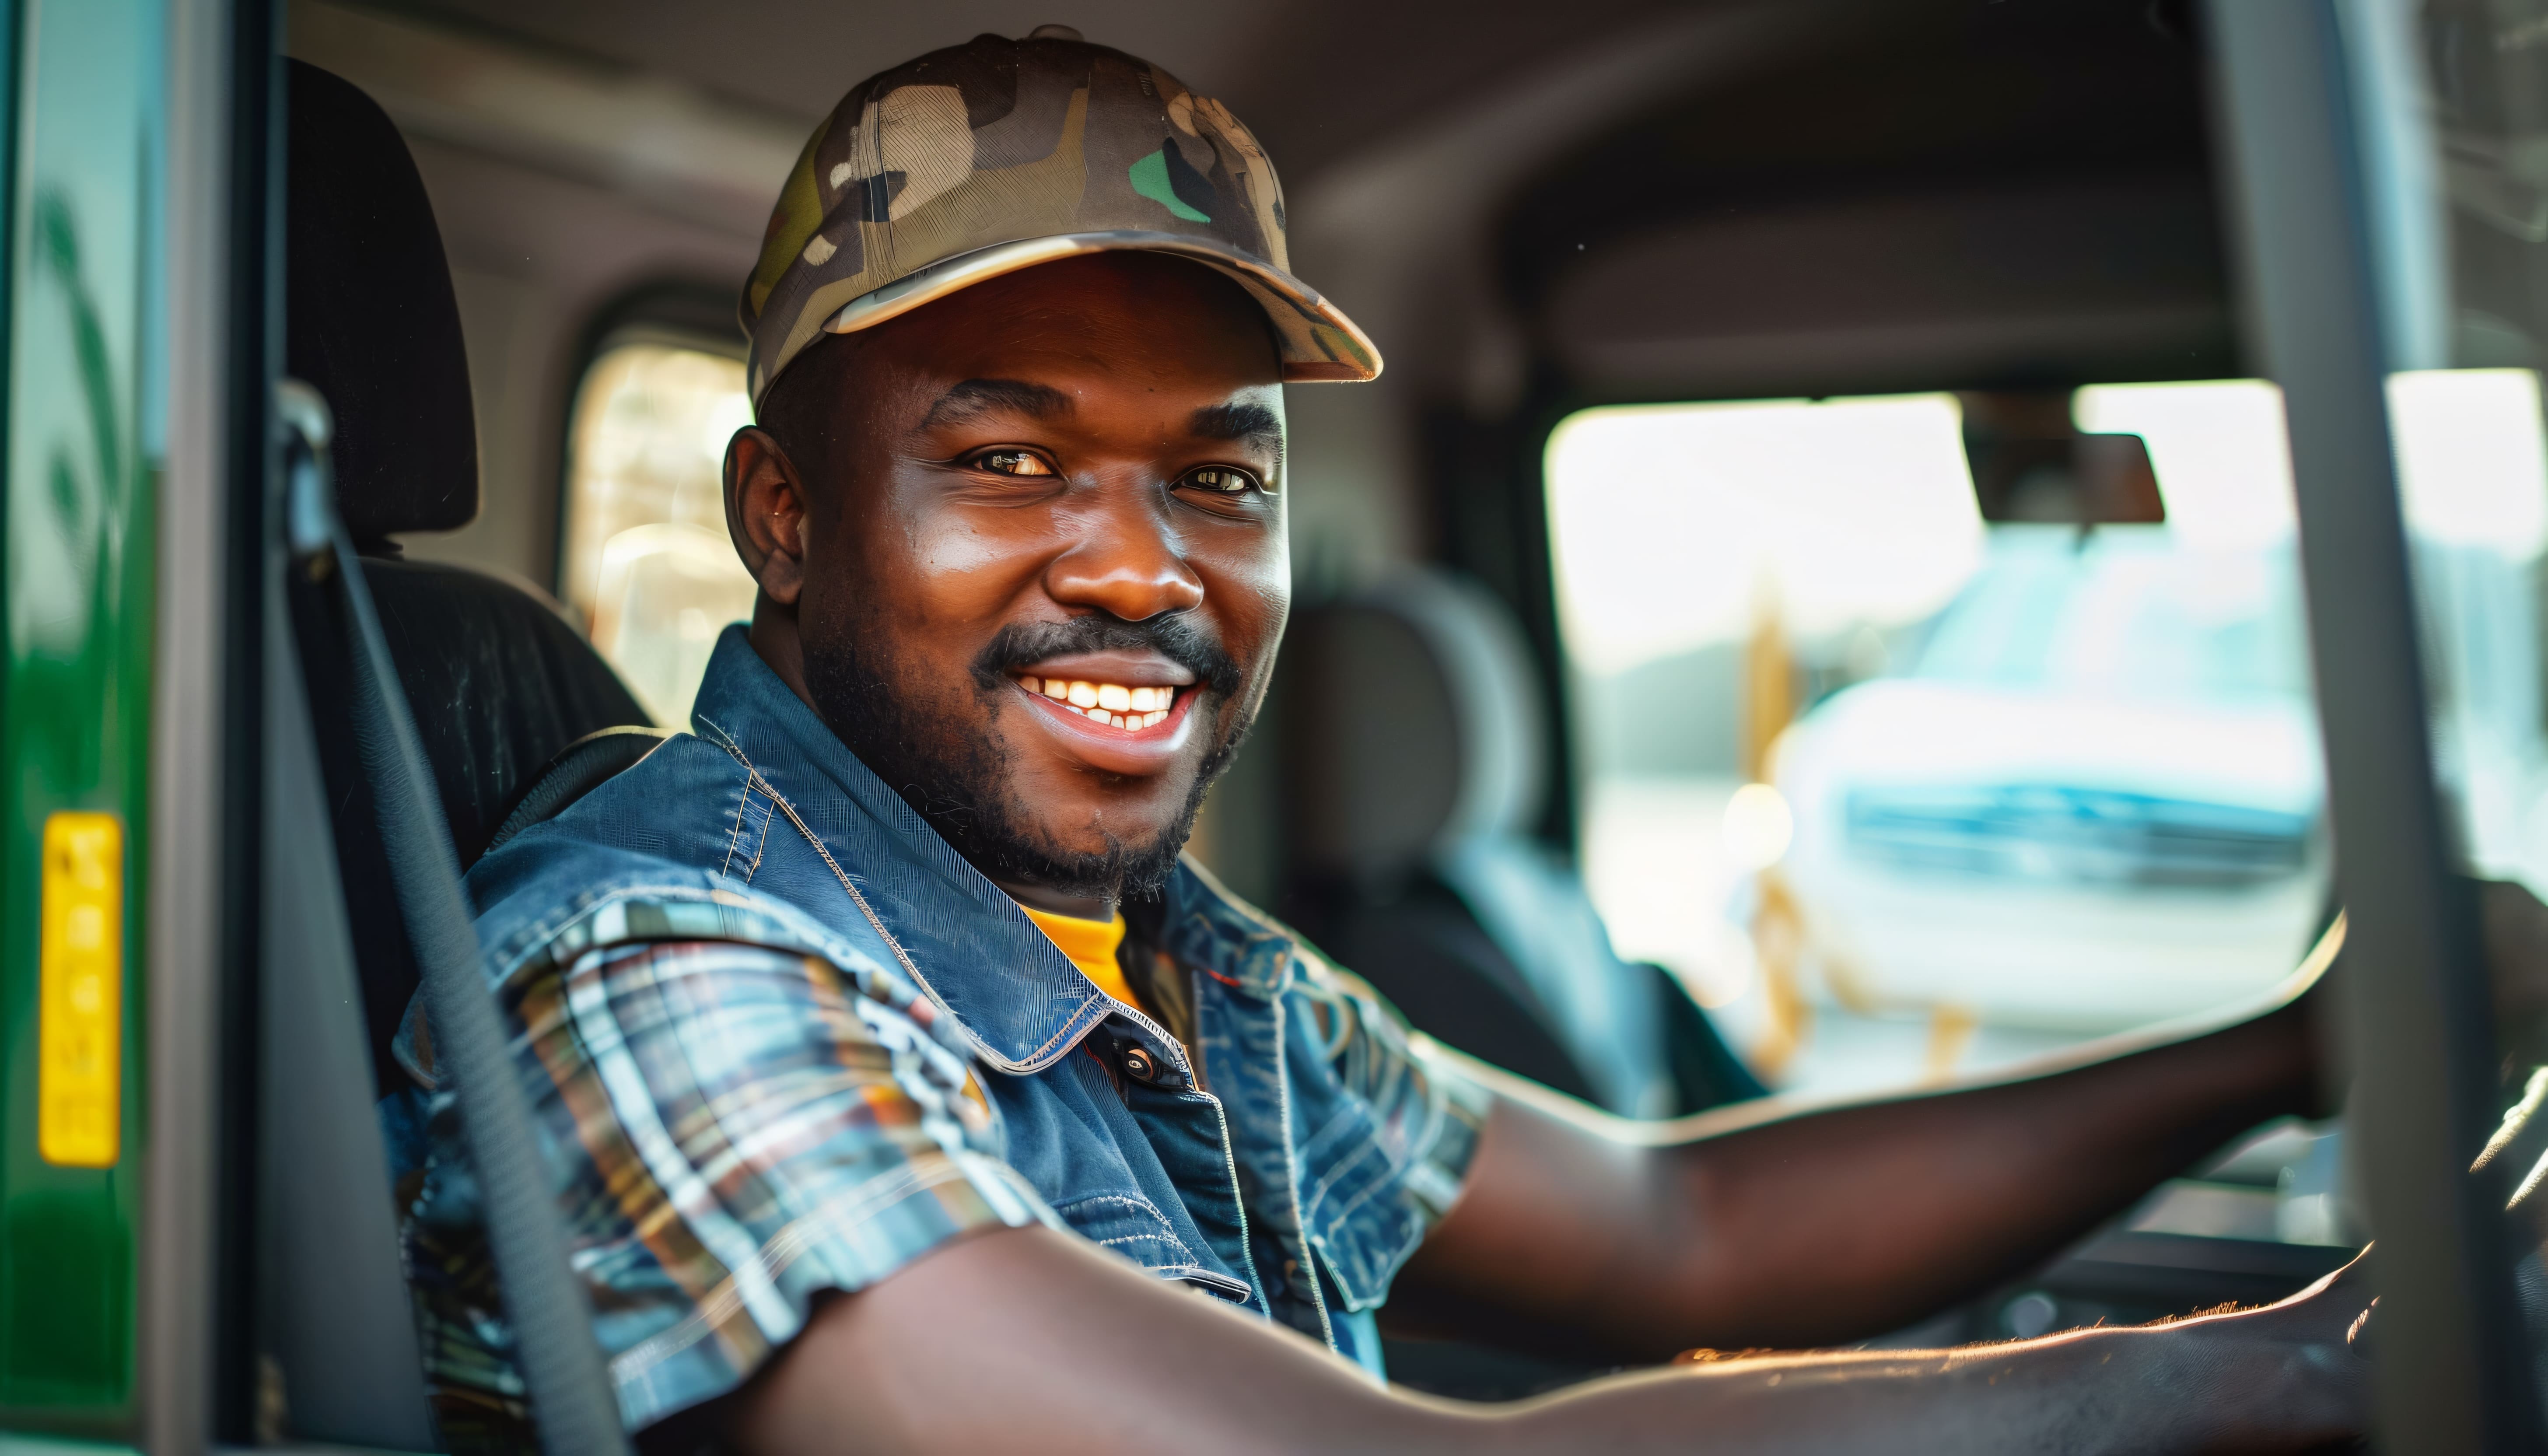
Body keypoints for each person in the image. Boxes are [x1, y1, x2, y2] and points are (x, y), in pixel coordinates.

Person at [396, 28, 2380, 1453]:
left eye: (1216, 476)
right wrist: (2309, 1371)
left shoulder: (1173, 960)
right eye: (1006, 462)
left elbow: (1677, 1232)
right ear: (784, 516)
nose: (1138, 566)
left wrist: (2310, 1035)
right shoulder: (653, 975)